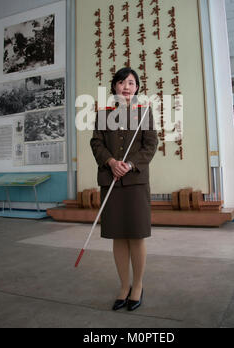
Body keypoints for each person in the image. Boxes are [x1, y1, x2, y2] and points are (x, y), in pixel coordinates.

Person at [90, 67, 158, 311]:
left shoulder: (145, 113)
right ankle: (123, 285)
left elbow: (150, 146)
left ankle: (137, 285)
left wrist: (129, 164)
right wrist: (111, 163)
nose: (126, 87)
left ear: (137, 88)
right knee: (118, 235)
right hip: (111, 182)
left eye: (131, 83)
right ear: (114, 87)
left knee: (136, 234)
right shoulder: (102, 114)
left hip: (136, 182)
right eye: (121, 83)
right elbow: (96, 143)